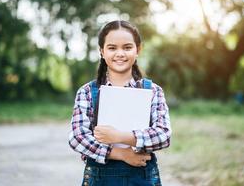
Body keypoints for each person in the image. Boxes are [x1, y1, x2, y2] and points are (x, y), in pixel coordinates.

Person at [68, 20, 172, 186]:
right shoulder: (87, 92)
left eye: (127, 47)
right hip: (99, 178)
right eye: (112, 48)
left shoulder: (153, 91)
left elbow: (163, 135)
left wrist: (119, 136)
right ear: (102, 51)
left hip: (142, 177)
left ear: (138, 50)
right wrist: (121, 153)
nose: (120, 53)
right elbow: (77, 137)